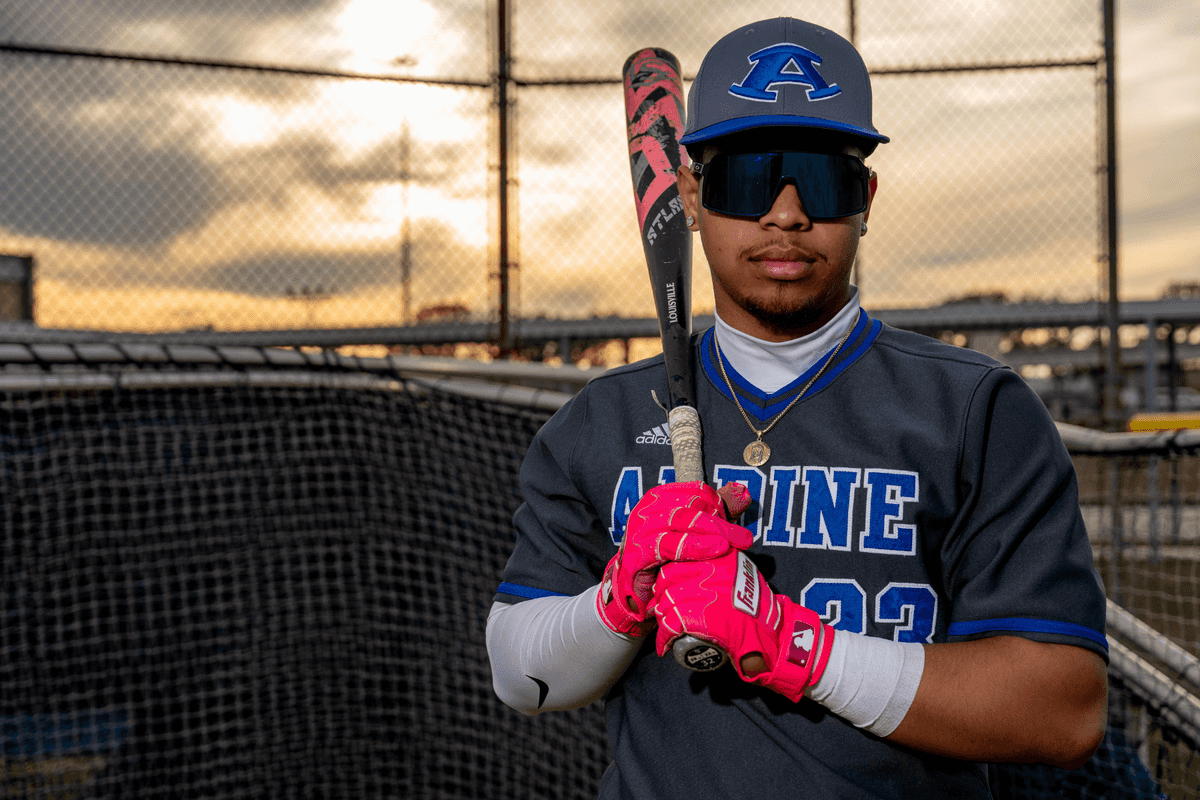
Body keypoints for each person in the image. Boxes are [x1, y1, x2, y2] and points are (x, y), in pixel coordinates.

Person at [486, 16, 1108, 799]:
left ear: (866, 199)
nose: (786, 214)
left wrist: (793, 645)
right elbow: (518, 673)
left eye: (822, 180)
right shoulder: (602, 419)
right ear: (689, 192)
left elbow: (1062, 708)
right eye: (749, 178)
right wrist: (620, 597)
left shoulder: (974, 410)